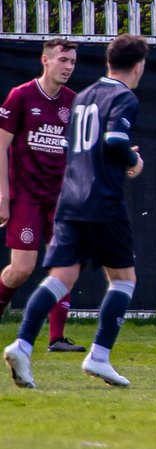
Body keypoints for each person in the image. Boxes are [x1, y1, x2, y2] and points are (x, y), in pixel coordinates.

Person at [3, 34, 149, 388]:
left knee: (60, 277)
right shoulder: (123, 96)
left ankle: (22, 345)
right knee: (124, 280)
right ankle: (99, 356)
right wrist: (134, 160)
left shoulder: (82, 98)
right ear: (139, 66)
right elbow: (114, 142)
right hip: (101, 200)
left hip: (69, 199)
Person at [0, 39, 84, 352]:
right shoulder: (20, 96)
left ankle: (56, 338)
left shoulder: (73, 102)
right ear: (45, 60)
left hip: (60, 198)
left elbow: (82, 147)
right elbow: (1, 146)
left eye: (72, 62)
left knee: (66, 264)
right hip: (26, 196)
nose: (68, 67)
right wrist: (3, 193)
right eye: (62, 60)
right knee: (21, 268)